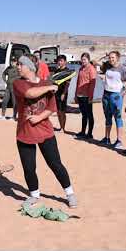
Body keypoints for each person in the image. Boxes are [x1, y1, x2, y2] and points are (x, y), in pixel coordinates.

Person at [13, 53, 77, 208]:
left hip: (45, 132)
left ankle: (70, 194)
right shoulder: (18, 83)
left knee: (55, 164)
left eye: (20, 65)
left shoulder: (45, 83)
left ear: (29, 67)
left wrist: (39, 117)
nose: (18, 67)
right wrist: (49, 86)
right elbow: (30, 93)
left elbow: (51, 108)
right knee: (29, 168)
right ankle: (34, 195)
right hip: (24, 133)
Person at [93, 51, 126, 149]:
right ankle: (107, 138)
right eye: (109, 57)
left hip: (116, 96)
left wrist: (123, 92)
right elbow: (94, 61)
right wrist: (104, 56)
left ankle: (119, 140)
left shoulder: (123, 69)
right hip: (106, 94)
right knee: (107, 116)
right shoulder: (107, 66)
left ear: (118, 58)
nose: (111, 59)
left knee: (117, 117)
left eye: (113, 57)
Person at [74, 52, 96, 139]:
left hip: (87, 96)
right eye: (82, 59)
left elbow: (92, 84)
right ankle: (83, 132)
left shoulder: (91, 69)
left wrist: (90, 97)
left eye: (84, 59)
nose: (83, 61)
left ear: (88, 60)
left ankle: (89, 133)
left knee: (89, 114)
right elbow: (78, 82)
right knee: (84, 115)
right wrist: (76, 95)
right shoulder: (81, 69)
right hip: (80, 95)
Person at [53, 55, 71, 132]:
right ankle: (60, 126)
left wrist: (64, 93)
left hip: (63, 93)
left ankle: (63, 128)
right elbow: (54, 82)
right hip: (56, 93)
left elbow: (67, 84)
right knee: (58, 111)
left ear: (65, 62)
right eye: (58, 61)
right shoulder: (56, 71)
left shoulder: (67, 71)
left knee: (62, 111)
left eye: (61, 61)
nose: (59, 62)